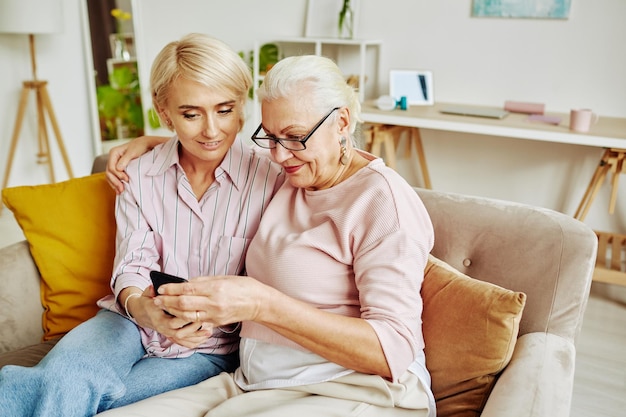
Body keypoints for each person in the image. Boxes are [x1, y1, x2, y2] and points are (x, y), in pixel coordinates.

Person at [99, 54, 436, 417]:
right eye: (270, 137)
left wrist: (263, 304)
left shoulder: (382, 201)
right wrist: (156, 142)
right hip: (255, 383)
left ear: (342, 122)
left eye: (294, 137)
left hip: (352, 390)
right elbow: (210, 148)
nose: (278, 154)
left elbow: (394, 348)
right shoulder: (292, 177)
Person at [0, 33, 283, 417]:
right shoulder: (140, 173)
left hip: (208, 349)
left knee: (69, 389)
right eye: (190, 114)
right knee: (71, 377)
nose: (212, 131)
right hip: (125, 323)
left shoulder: (273, 177)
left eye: (224, 109)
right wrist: (141, 307)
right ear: (164, 112)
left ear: (241, 107)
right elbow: (133, 261)